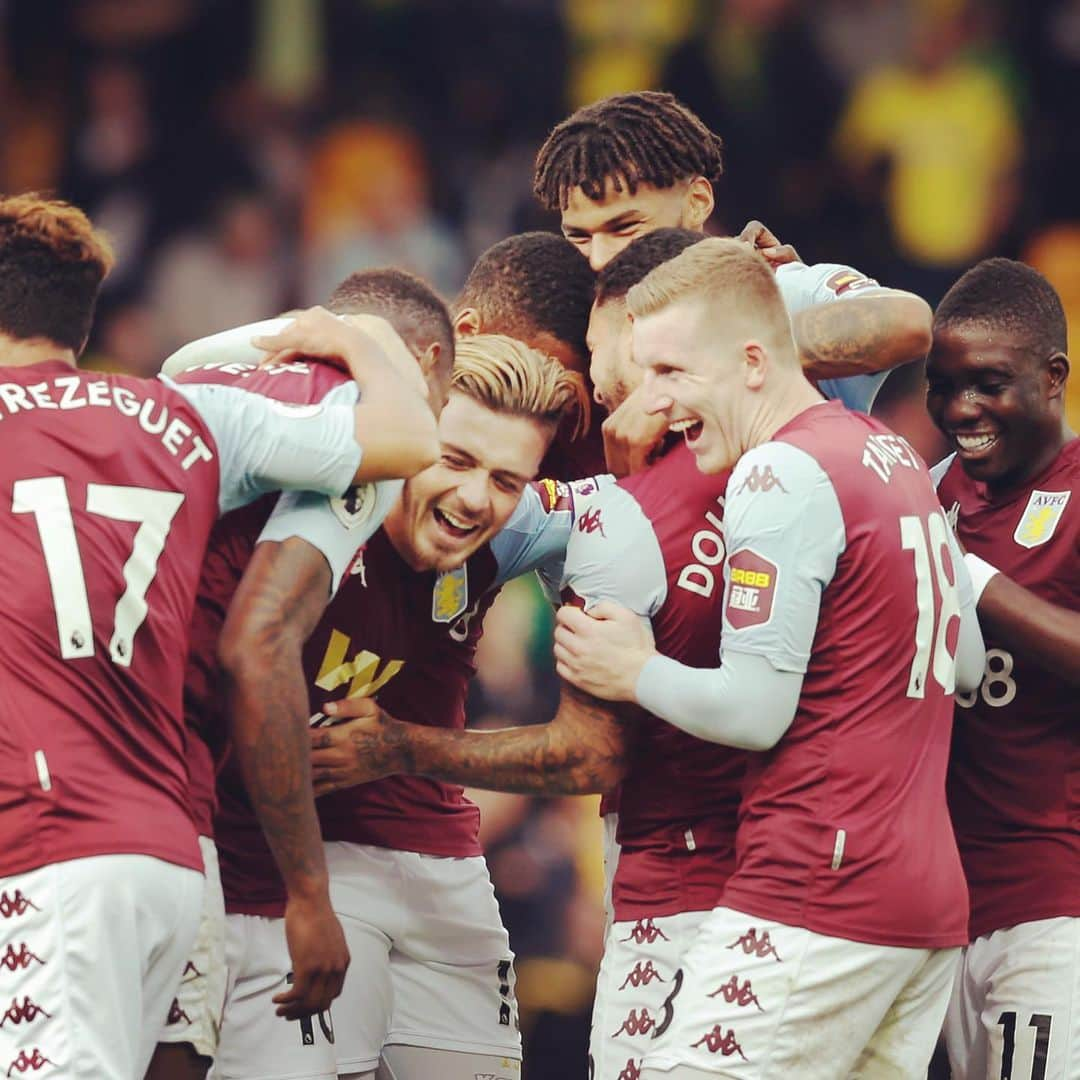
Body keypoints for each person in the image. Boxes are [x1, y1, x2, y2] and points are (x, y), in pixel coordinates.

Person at [307, 226, 937, 1080]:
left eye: (652, 364)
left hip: (781, 878)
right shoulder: (873, 456)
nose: (600, 395)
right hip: (858, 887)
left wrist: (635, 670)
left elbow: (907, 323)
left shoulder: (682, 485)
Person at [0, 196, 435, 1080]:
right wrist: (360, 341)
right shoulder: (183, 420)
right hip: (170, 857)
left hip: (48, 847)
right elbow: (409, 434)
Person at [553, 237, 985, 1078]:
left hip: (819, 886)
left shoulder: (777, 473)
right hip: (927, 908)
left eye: (675, 372)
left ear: (753, 361)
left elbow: (755, 712)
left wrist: (632, 668)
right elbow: (963, 665)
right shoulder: (888, 451)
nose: (658, 403)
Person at [211, 335, 597, 1080]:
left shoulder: (514, 534)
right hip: (303, 861)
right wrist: (331, 330)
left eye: (506, 478)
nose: (478, 497)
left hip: (443, 858)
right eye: (453, 460)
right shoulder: (312, 500)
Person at [151, 269, 455, 1080]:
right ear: (426, 362)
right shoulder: (362, 418)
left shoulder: (190, 374)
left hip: (52, 745)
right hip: (154, 783)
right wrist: (311, 898)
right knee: (172, 1053)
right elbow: (257, 641)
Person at [533, 90, 943, 458]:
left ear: (696, 202)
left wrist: (694, 371)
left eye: (625, 227)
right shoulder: (570, 324)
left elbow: (908, 324)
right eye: (580, 237)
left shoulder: (774, 291)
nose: (599, 258)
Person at [925, 258, 1079, 1080]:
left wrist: (982, 585)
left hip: (1055, 901)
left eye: (987, 384)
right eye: (942, 386)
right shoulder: (929, 491)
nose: (960, 411)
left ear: (1053, 377)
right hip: (938, 904)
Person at [453, 230, 604, 477]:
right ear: (467, 331)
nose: (540, 399)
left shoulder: (587, 443)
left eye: (562, 397)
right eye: (521, 374)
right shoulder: (377, 412)